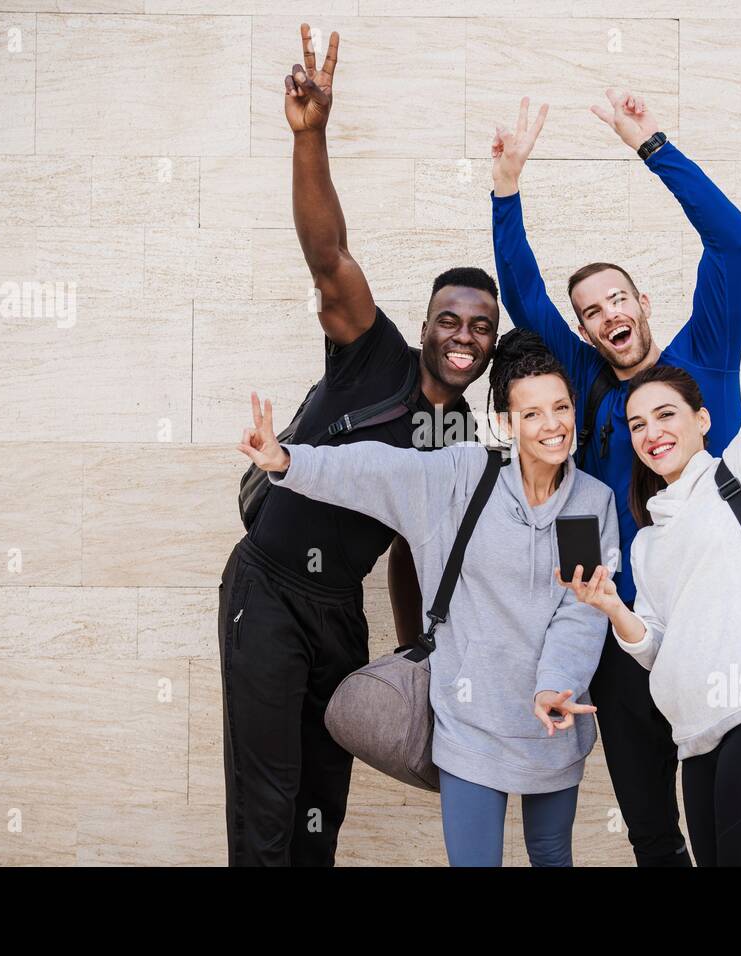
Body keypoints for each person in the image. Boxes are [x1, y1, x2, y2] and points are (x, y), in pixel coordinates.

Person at [217, 23, 499, 866]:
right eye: (450, 319)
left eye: (480, 327)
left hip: (341, 610)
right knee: (266, 804)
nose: (463, 335)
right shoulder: (369, 346)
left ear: (490, 346)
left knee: (318, 808)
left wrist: (418, 647)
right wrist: (313, 137)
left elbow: (418, 547)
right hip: (267, 590)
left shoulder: (461, 437)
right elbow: (326, 250)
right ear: (424, 327)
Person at [490, 92, 741, 866]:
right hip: (623, 641)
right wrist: (506, 189)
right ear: (582, 331)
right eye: (591, 310)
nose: (608, 314)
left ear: (643, 304)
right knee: (652, 834)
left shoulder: (702, 359)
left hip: (715, 631)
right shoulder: (584, 376)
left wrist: (652, 145)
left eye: (618, 298)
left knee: (729, 828)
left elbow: (732, 241)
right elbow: (522, 293)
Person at [237, 329, 619, 867]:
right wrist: (289, 462)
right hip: (469, 724)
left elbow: (582, 612)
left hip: (551, 722)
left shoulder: (592, 501)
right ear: (507, 425)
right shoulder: (463, 475)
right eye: (531, 414)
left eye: (561, 407)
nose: (552, 425)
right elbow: (375, 470)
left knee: (552, 854)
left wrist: (558, 683)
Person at [558, 170, 741, 866]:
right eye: (638, 422)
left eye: (667, 415)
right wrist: (614, 610)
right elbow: (652, 647)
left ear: (703, 419)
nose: (652, 431)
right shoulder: (646, 542)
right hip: (697, 738)